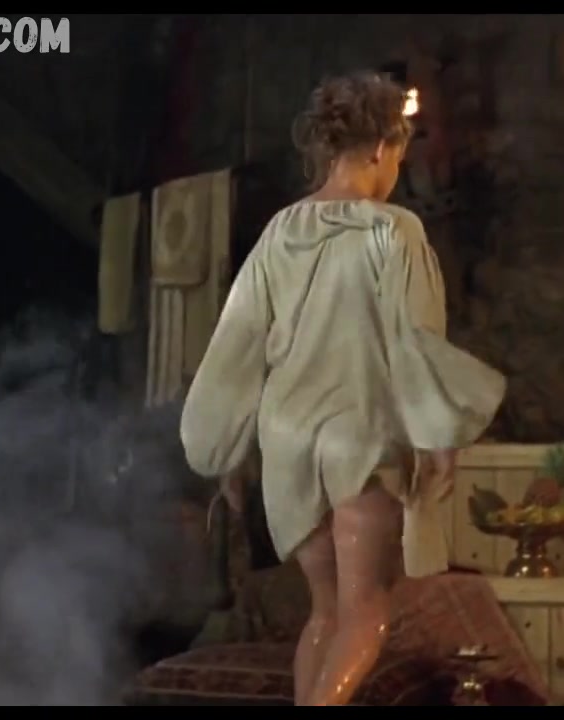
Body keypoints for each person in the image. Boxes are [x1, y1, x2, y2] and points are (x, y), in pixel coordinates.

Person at [180, 71, 506, 706]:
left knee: (324, 613)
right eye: (400, 156)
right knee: (367, 611)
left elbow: (237, 345)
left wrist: (226, 451)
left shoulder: (279, 232)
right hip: (360, 436)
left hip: (288, 441)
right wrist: (439, 437)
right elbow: (414, 342)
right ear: (383, 147)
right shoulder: (393, 230)